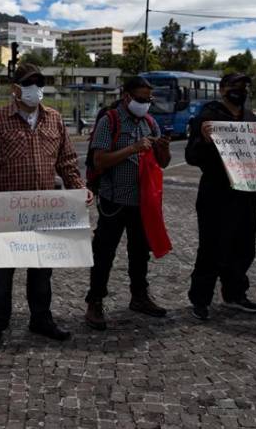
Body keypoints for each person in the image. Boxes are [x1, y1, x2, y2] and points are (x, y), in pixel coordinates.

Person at [0, 63, 93, 353]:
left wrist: (79, 189)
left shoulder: (54, 119)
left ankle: (41, 319)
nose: (35, 88)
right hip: (7, 211)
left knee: (42, 272)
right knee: (2, 273)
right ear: (15, 89)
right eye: (28, 83)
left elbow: (66, 161)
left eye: (39, 83)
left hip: (45, 211)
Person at [84, 76, 171, 330]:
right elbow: (99, 160)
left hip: (142, 202)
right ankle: (95, 301)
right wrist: (132, 148)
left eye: (149, 99)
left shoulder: (150, 123)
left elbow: (162, 163)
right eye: (141, 98)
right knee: (104, 253)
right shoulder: (109, 121)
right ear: (127, 97)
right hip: (114, 200)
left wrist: (163, 149)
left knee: (139, 253)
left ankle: (139, 296)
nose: (145, 103)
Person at [185, 72, 256, 321]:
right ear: (222, 90)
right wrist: (205, 141)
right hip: (216, 193)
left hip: (247, 191)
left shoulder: (251, 117)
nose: (241, 90)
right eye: (235, 86)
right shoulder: (207, 117)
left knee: (244, 246)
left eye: (244, 86)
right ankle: (200, 300)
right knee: (211, 248)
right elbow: (191, 156)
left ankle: (235, 294)